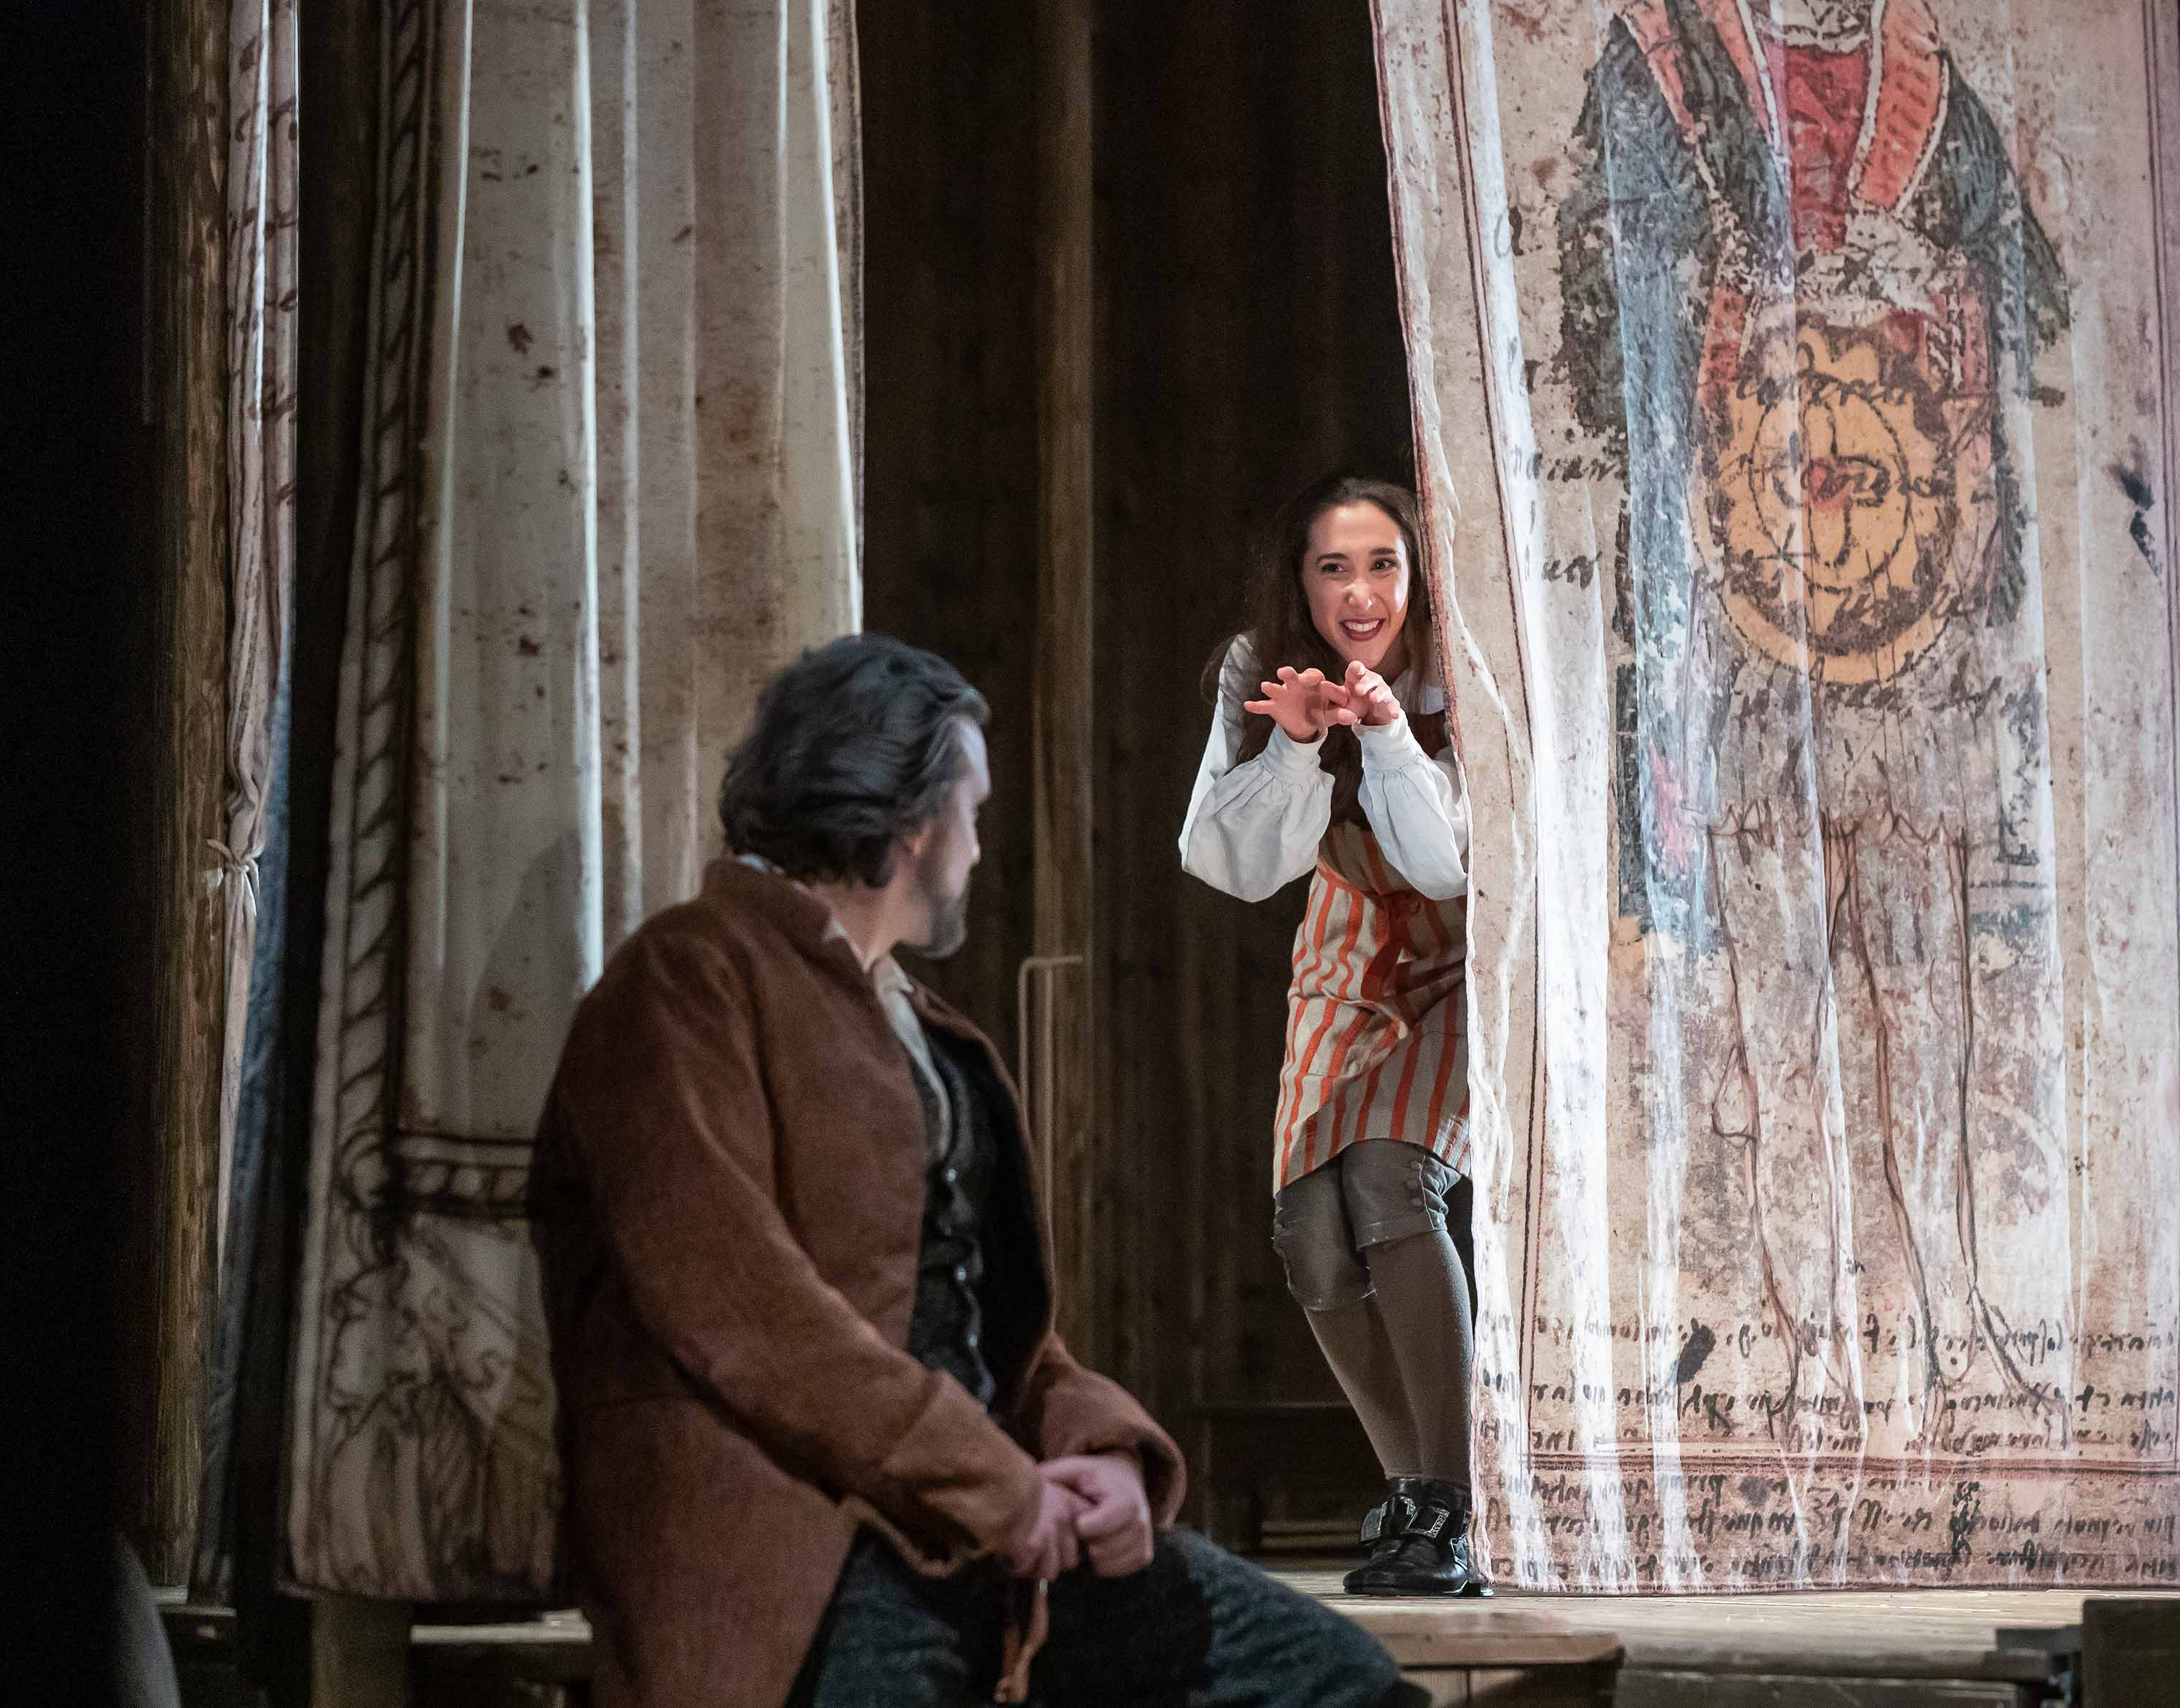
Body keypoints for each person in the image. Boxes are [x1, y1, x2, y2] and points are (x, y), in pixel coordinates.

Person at [534, 633, 1426, 1708]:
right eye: (973, 811)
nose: (976, 848)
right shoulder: (685, 982)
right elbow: (743, 1310)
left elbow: (989, 1328)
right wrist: (995, 1483)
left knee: (1336, 1682)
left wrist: (1100, 1451)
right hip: (798, 1551)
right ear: (912, 821)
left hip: (977, 1532)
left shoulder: (917, 1023)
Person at [1180, 471, 1484, 1597]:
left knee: (1390, 1177)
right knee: (1310, 1226)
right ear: (1300, 585)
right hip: (1347, 946)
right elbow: (1229, 863)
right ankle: (1414, 1492)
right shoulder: (1255, 665)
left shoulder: (1464, 660)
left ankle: (1450, 1500)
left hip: (1464, 950)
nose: (1361, 593)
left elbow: (1446, 866)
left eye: (1384, 565)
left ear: (1418, 572)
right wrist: (1296, 746)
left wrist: (1391, 734)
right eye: (1334, 568)